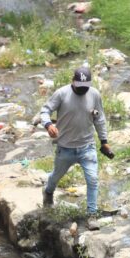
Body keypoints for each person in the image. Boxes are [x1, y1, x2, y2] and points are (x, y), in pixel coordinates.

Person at [39, 66, 114, 213]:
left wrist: (104, 141)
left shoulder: (94, 95)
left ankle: (91, 213)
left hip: (87, 147)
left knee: (92, 179)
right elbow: (45, 110)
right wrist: (48, 125)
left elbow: (99, 119)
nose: (82, 90)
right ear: (72, 81)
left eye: (85, 87)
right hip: (65, 147)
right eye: (79, 86)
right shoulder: (61, 94)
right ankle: (48, 192)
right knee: (55, 177)